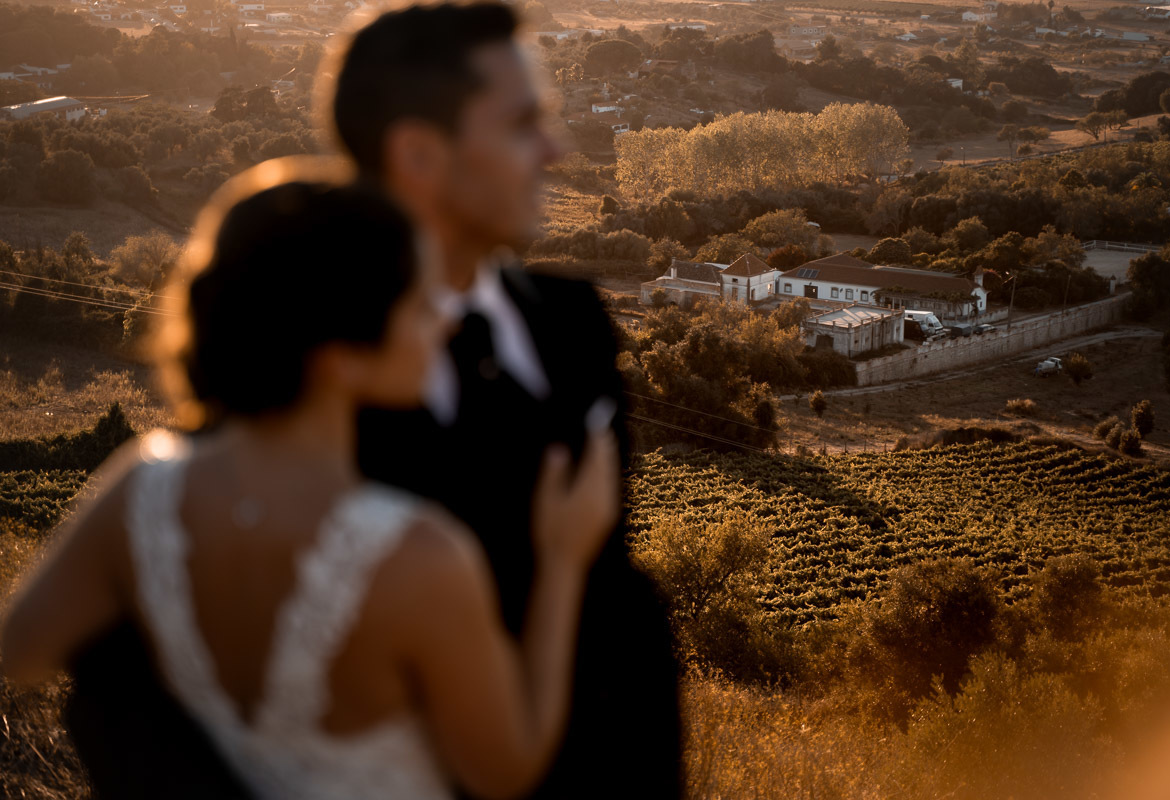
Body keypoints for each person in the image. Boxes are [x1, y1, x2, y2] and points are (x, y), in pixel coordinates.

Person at [0, 163, 621, 800]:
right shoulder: (416, 558)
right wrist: (563, 561)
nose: (443, 318)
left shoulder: (143, 490)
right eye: (416, 302)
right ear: (339, 357)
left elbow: (23, 651)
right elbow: (505, 772)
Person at [327, 4, 682, 798]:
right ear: (419, 154)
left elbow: (613, 584)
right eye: (524, 124)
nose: (554, 151)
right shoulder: (314, 369)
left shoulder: (574, 319)